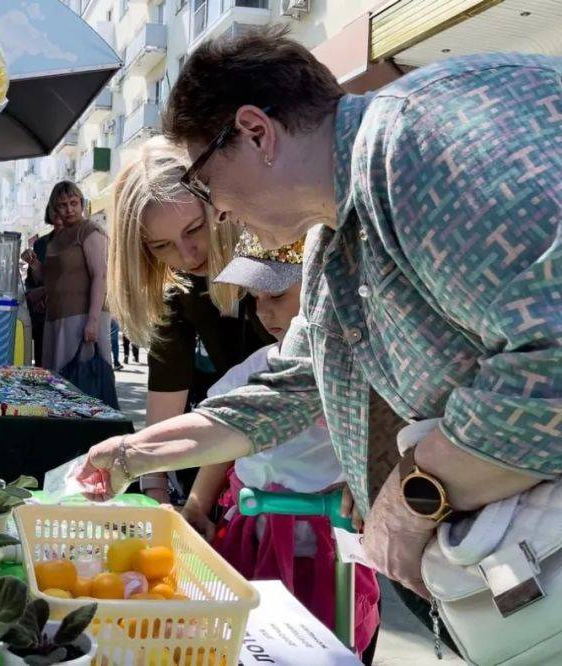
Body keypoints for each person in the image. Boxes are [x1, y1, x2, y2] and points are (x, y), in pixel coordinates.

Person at [77, 27, 559, 633]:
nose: (218, 211)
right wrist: (132, 453)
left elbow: (552, 373)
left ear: (256, 133)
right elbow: (290, 390)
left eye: (206, 185)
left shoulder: (416, 145)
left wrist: (411, 501)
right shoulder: (331, 239)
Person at [182, 230, 380, 659]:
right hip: (251, 538)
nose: (264, 312)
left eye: (277, 295)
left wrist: (367, 481)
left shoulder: (353, 371)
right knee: (247, 640)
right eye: (256, 299)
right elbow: (221, 432)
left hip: (324, 548)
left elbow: (379, 434)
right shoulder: (259, 367)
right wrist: (198, 504)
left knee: (321, 641)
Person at [108, 137, 271, 503]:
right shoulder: (177, 289)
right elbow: (167, 390)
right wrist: (155, 492)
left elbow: (278, 399)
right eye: (161, 246)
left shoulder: (271, 253)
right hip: (229, 451)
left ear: (216, 204)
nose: (186, 254)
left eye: (194, 229)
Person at [41, 180, 111, 372]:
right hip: (56, 318)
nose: (69, 209)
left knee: (82, 383)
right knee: (59, 383)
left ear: (81, 203)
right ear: (55, 208)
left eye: (74, 203)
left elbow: (100, 275)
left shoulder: (89, 230)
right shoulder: (57, 238)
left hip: (81, 318)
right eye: (63, 205)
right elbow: (54, 279)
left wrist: (93, 321)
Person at [22, 206, 61, 367]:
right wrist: (33, 264)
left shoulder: (82, 241)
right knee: (43, 366)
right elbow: (35, 282)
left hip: (71, 315)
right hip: (45, 317)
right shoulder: (41, 244)